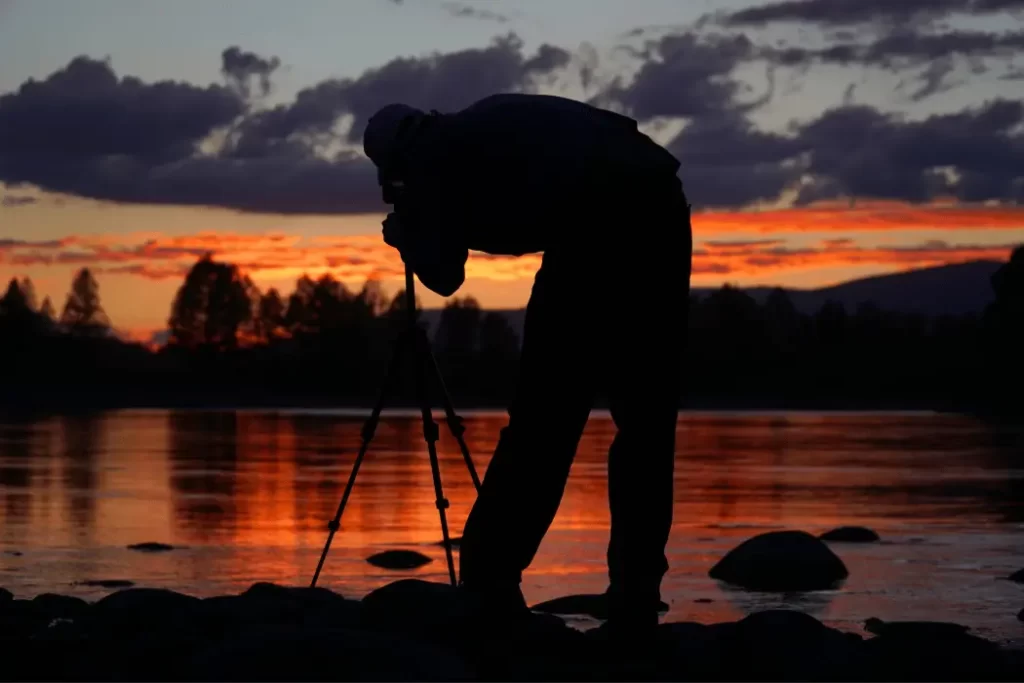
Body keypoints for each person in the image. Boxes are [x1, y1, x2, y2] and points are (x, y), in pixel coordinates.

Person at [363, 93, 692, 633]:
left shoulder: (436, 163)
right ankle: (635, 599)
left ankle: (489, 580)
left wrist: (406, 237)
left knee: (545, 420)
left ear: (397, 162)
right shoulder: (478, 124)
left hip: (602, 223)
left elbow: (444, 276)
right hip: (657, 206)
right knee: (646, 424)